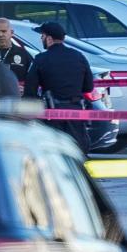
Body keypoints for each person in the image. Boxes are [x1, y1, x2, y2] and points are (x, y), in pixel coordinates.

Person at [24, 21, 93, 153]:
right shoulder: (79, 56)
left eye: (42, 36)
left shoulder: (41, 59)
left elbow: (30, 92)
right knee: (78, 152)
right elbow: (88, 87)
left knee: (55, 153)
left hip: (53, 114)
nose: (41, 39)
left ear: (49, 38)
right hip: (76, 113)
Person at [0, 18, 32, 82]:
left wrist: (25, 87)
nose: (0, 35)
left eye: (4, 31)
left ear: (11, 33)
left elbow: (32, 79)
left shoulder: (23, 54)